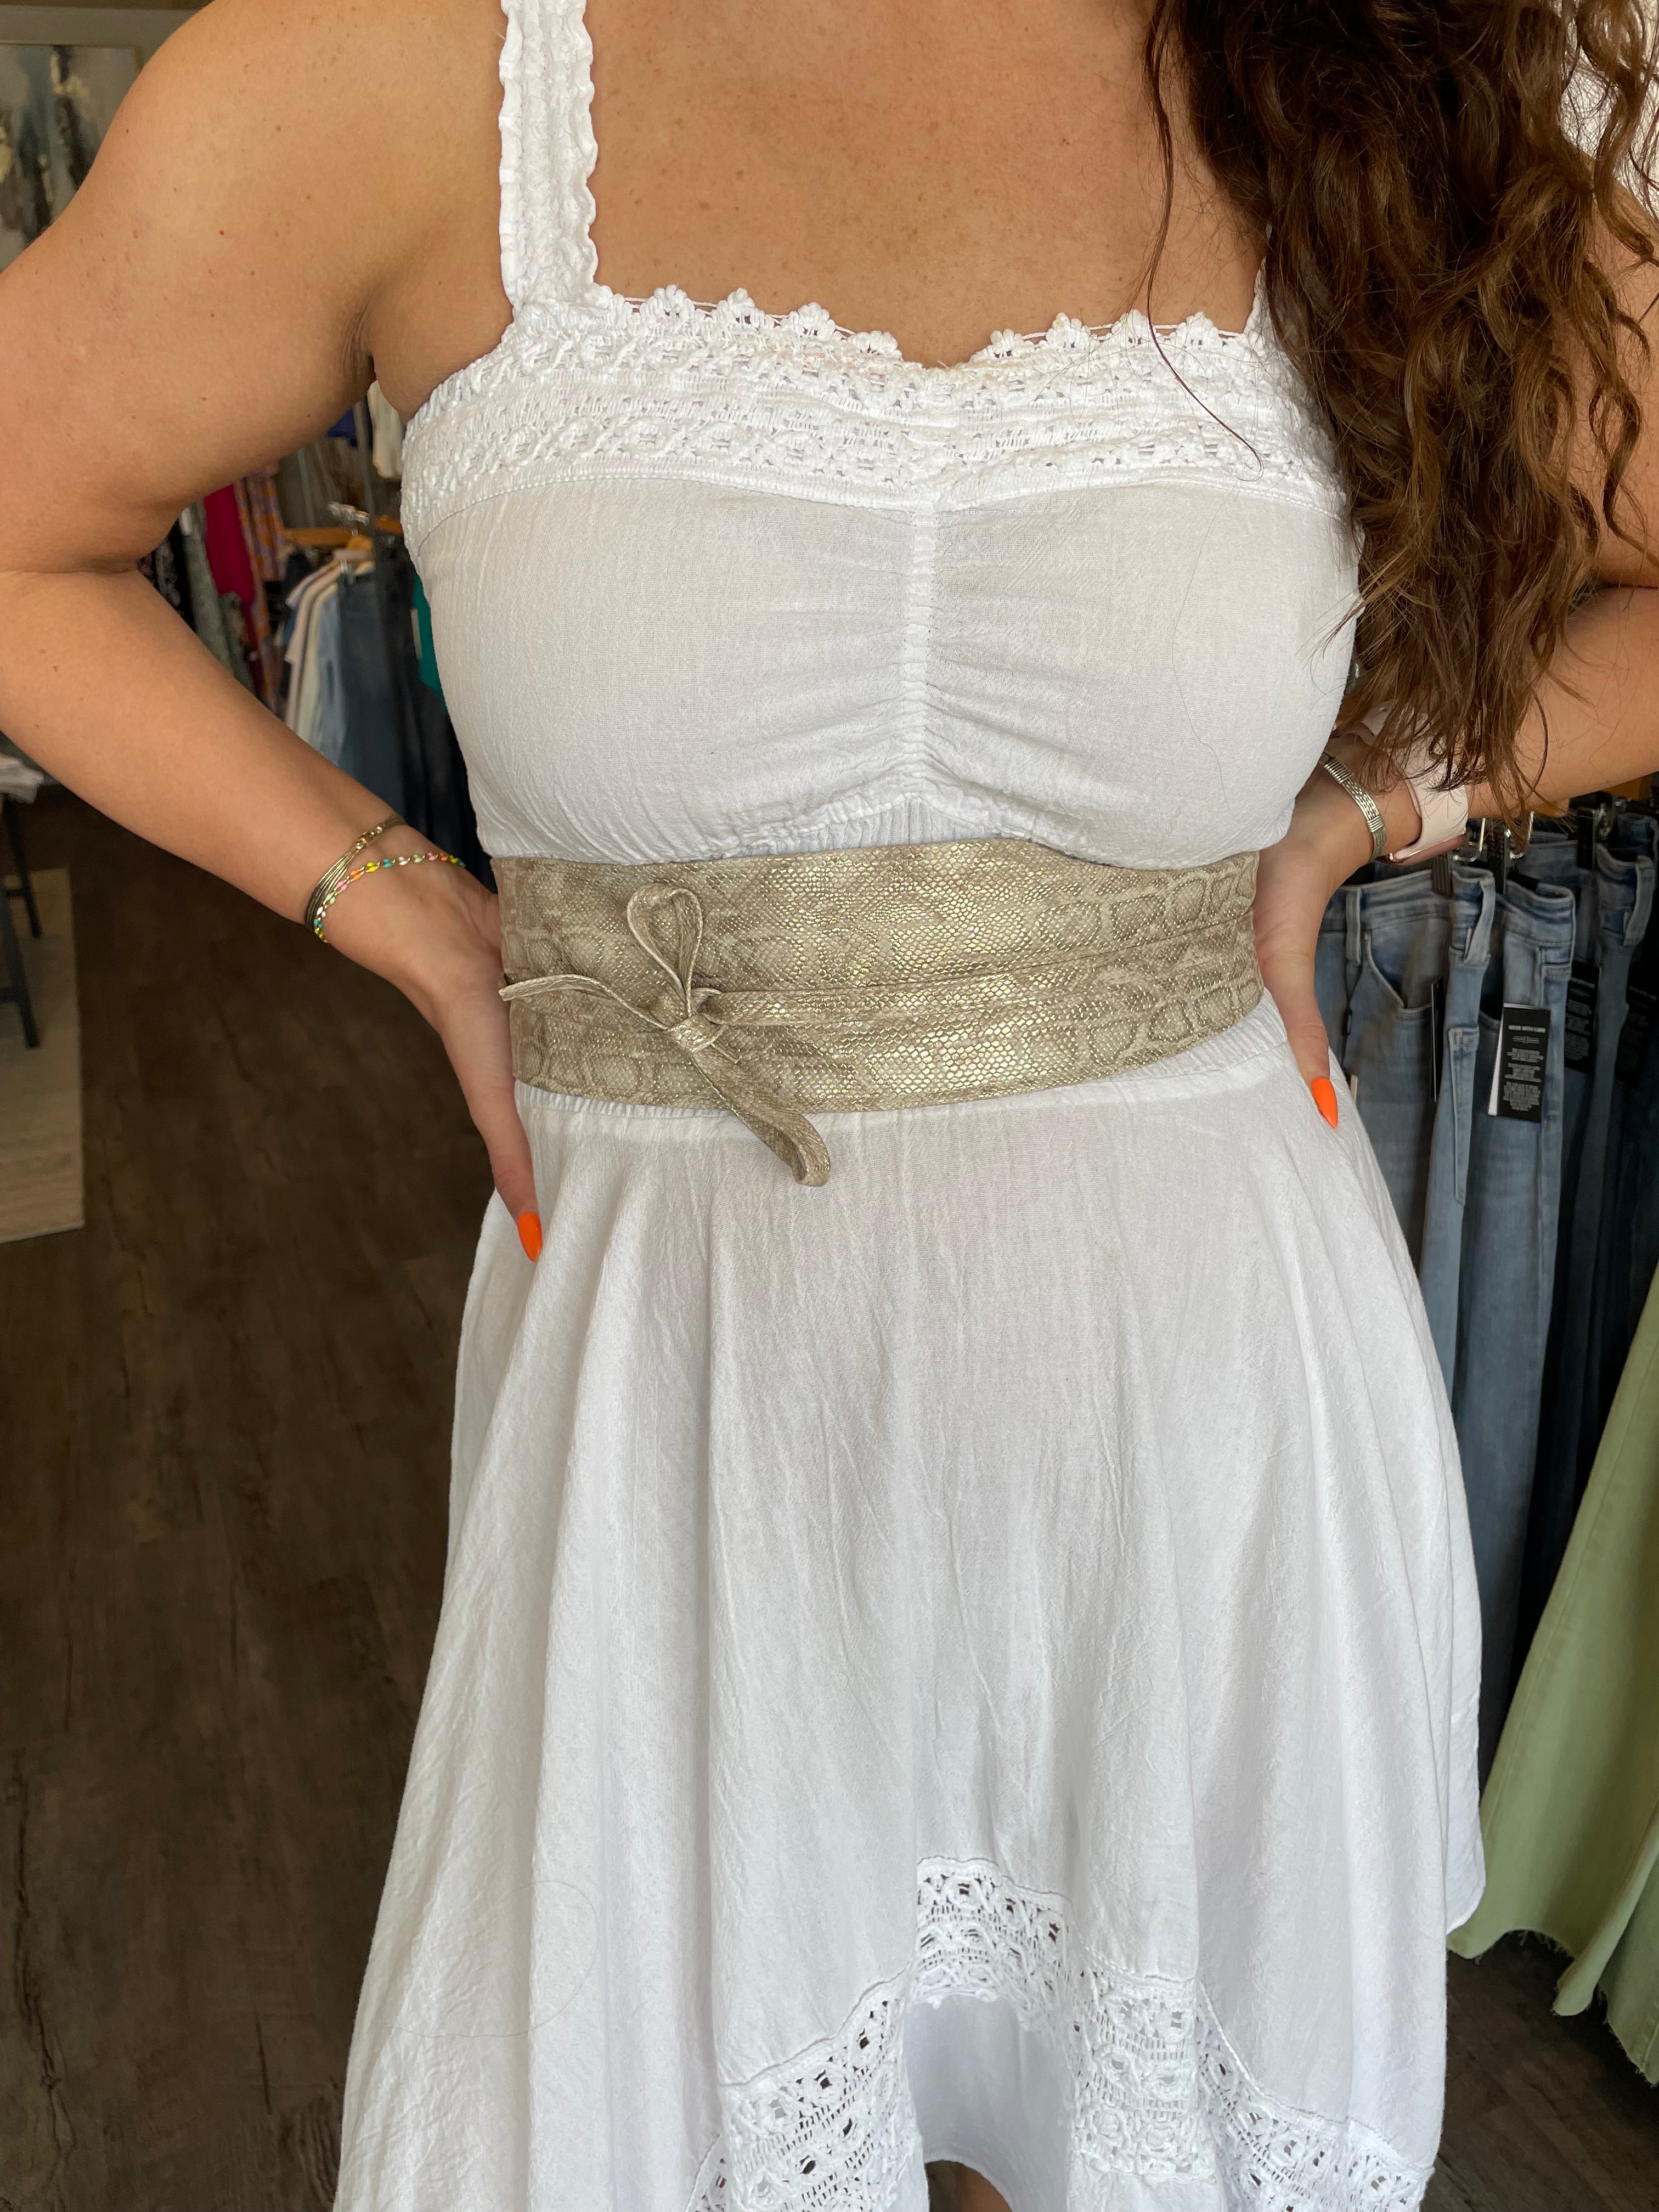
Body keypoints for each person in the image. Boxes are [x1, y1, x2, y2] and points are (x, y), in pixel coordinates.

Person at [2, 1, 1656, 2205]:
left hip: (1201, 1416)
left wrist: (1384, 799)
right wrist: (406, 912)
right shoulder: (403, 65)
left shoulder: (1387, 64)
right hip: (689, 1437)